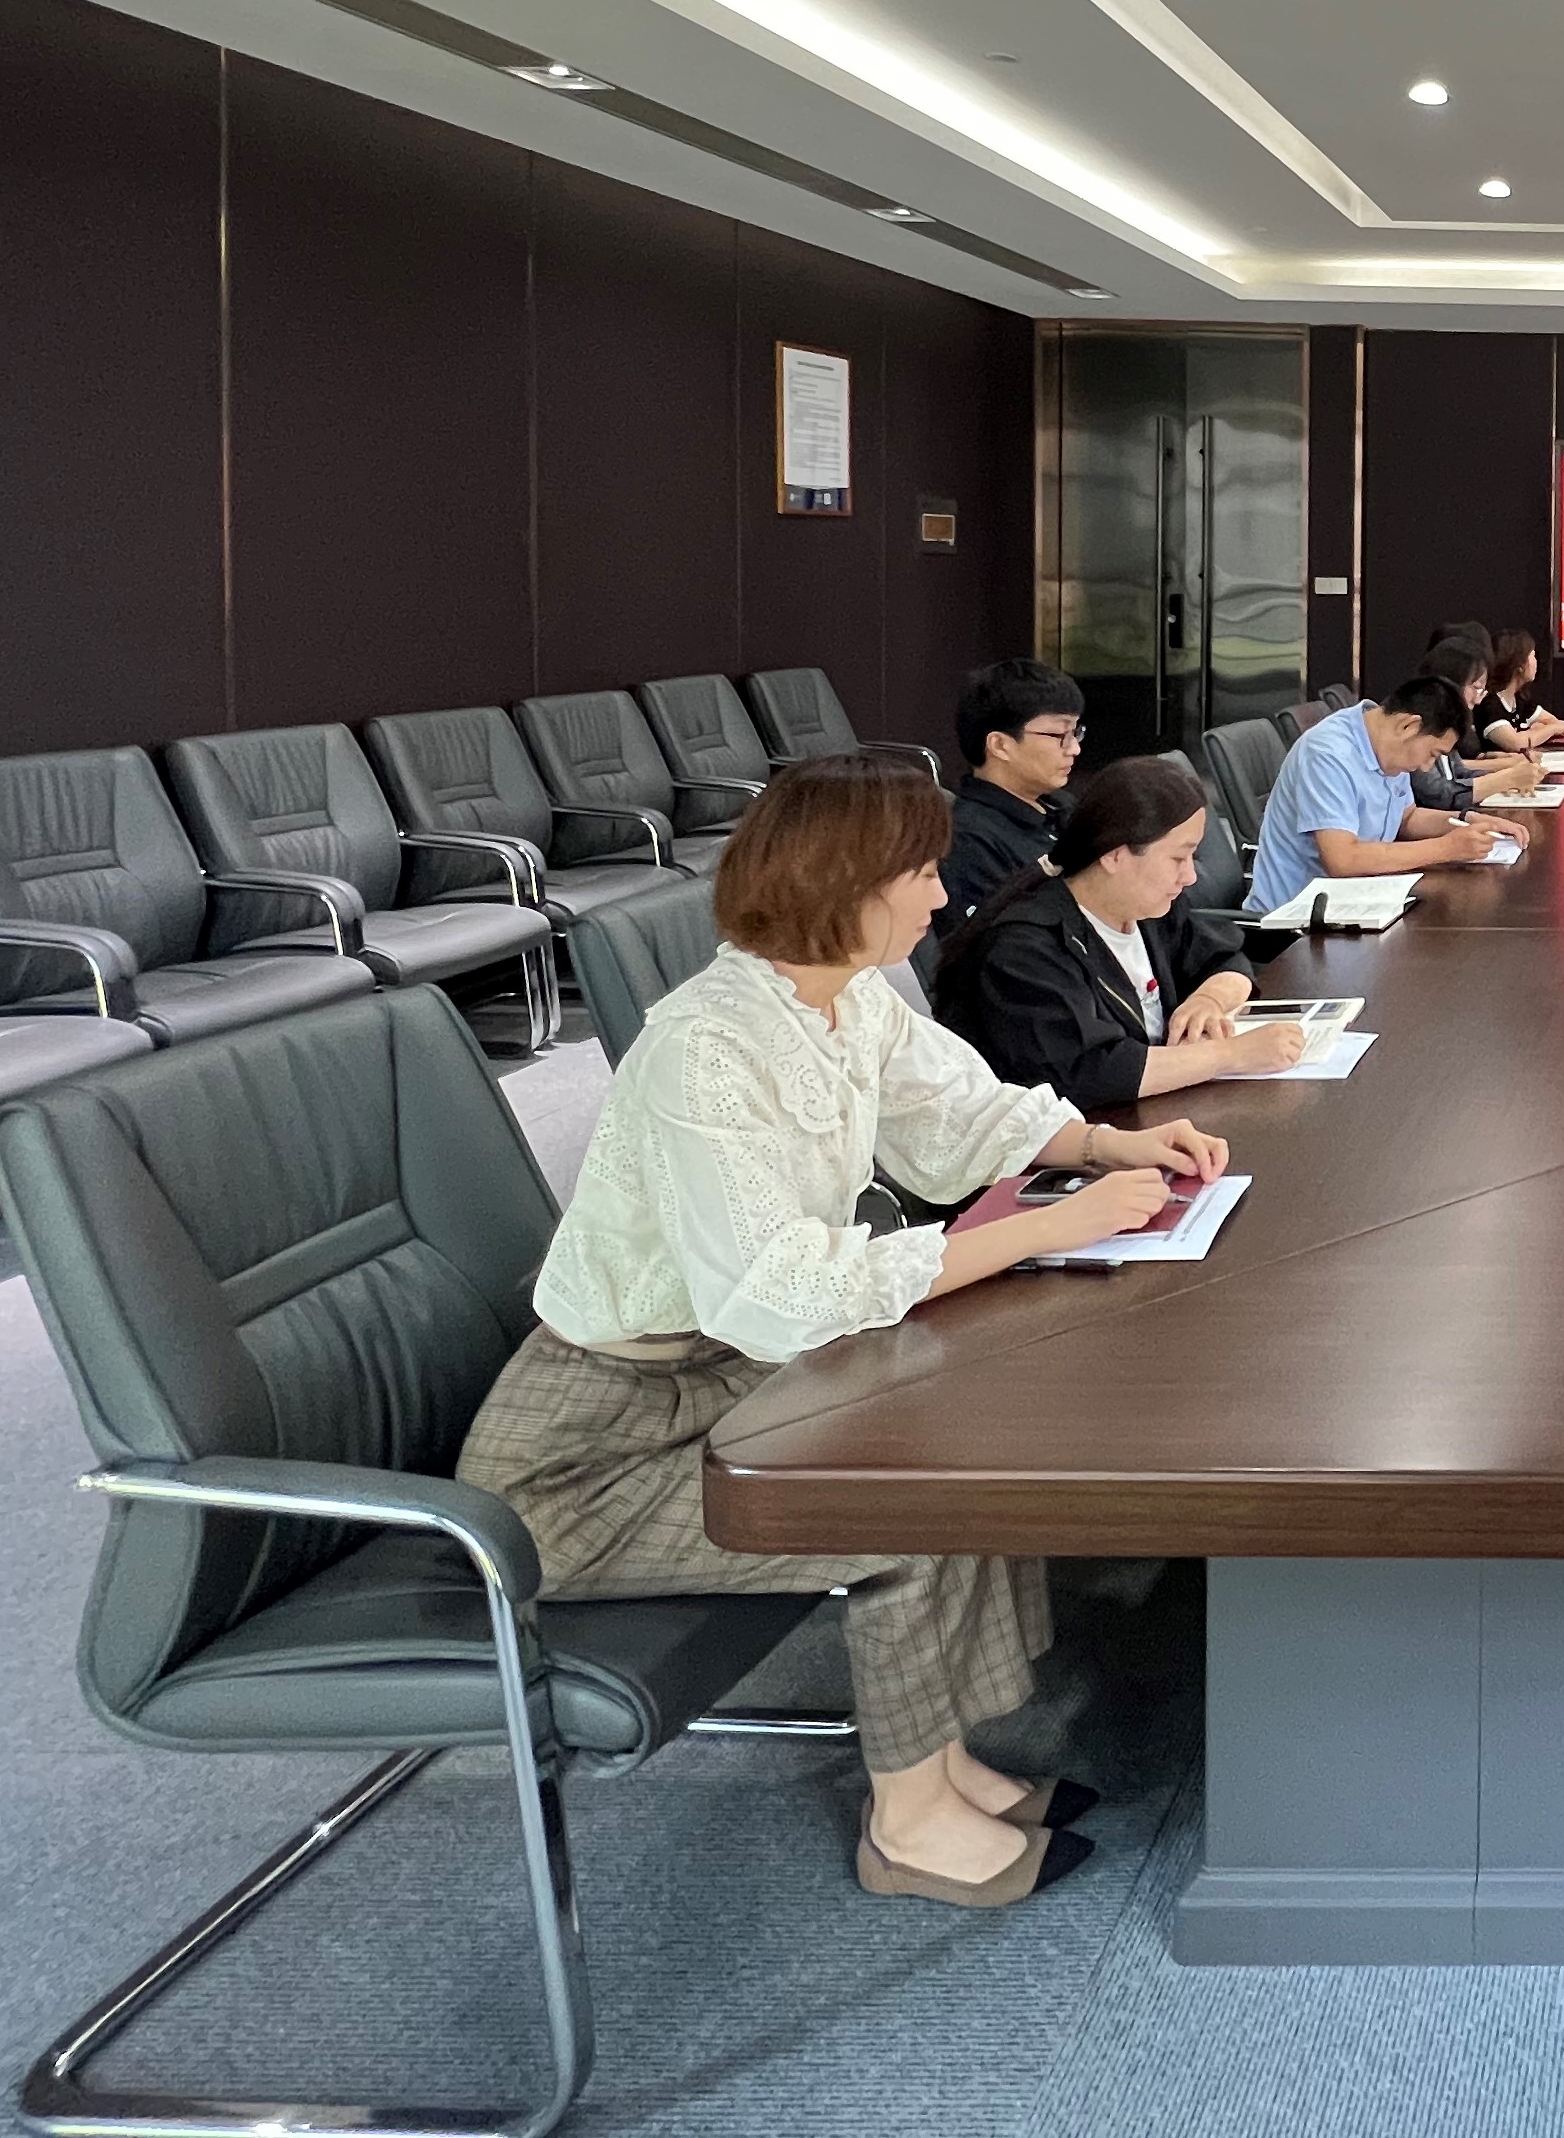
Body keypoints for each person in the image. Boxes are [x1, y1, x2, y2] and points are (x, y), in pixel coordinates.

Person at [456, 752, 1229, 1909]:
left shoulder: (841, 999)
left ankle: (944, 1762)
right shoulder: (705, 1050)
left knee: (950, 1429)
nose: (941, 895)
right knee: (895, 1502)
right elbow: (781, 1291)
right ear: (844, 884)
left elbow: (958, 1111)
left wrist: (1101, 1144)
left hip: (716, 1380)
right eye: (920, 875)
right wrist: (1034, 1232)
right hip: (585, 1461)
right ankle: (907, 1826)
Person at [929, 756, 1317, 1108]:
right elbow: (1091, 1072)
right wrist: (1230, 1055)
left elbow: (1226, 959)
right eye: (1178, 858)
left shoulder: (1147, 908)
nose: (1190, 876)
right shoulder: (1025, 948)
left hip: (1154, 1113)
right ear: (1115, 855)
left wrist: (1209, 1001)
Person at [1249, 674, 1508, 910]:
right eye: (1432, 754)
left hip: (1356, 901)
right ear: (1408, 726)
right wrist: (1446, 848)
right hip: (1295, 920)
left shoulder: (1386, 744)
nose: (1426, 766)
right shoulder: (1328, 754)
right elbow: (1342, 859)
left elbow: (1407, 818)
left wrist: (1466, 821)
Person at [935, 657, 1085, 942]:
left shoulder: (1063, 806)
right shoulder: (968, 839)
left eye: (1076, 732)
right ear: (1000, 745)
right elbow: (997, 945)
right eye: (1059, 734)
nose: (1074, 748)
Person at [1414, 634, 1543, 802]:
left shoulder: (1445, 721)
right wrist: (1507, 778)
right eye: (1476, 688)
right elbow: (1437, 793)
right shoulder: (1419, 723)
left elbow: (1457, 770)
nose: (1478, 699)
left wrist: (1509, 773)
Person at [1477, 626, 1564, 754]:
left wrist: (1533, 733)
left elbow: (1559, 724)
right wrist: (1550, 730)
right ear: (1519, 665)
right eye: (1533, 656)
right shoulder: (1490, 704)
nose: (1537, 662)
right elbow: (1516, 744)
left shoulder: (1519, 700)